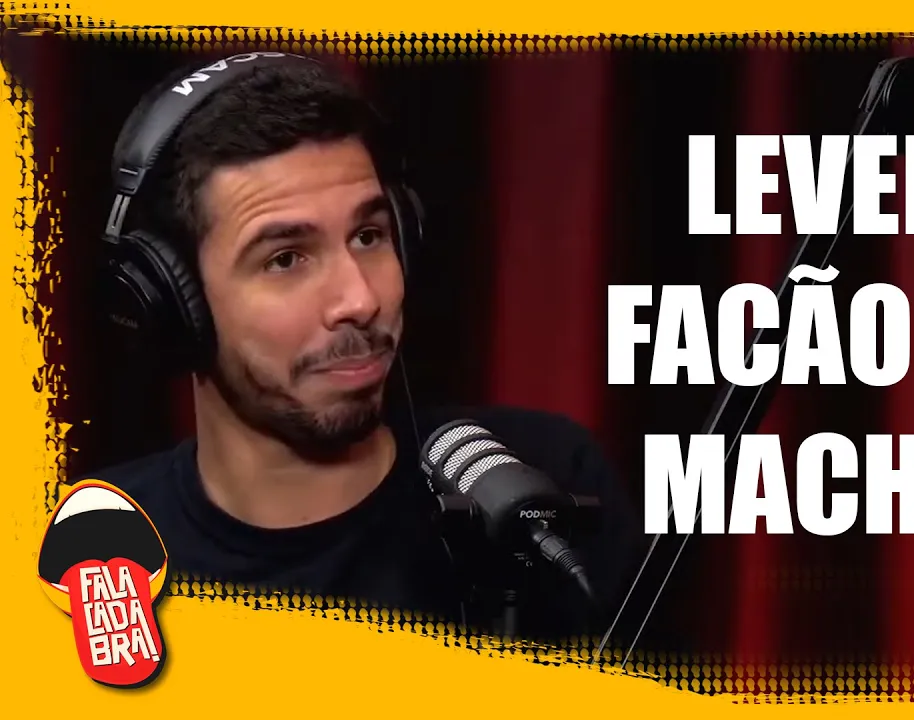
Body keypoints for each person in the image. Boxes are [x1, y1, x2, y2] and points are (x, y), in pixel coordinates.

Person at [76, 54, 642, 641]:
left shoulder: (543, 491)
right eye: (285, 259)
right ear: (173, 302)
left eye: (369, 235)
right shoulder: (95, 562)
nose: (360, 299)